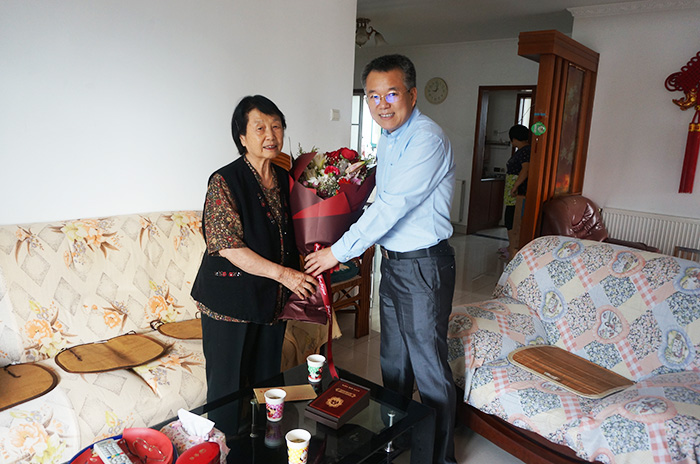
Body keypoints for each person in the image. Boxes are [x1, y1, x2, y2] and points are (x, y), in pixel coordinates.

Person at [305, 54, 457, 464]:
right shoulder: (389, 139)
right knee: (394, 362)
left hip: (424, 265)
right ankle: (397, 439)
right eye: (373, 96)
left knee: (429, 369)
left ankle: (439, 459)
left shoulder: (426, 139)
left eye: (391, 93)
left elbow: (392, 207)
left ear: (412, 94)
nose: (382, 104)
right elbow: (380, 203)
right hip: (394, 263)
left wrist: (338, 252)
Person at [190, 95, 317, 414]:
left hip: (271, 302)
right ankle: (225, 442)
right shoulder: (224, 181)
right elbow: (228, 245)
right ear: (242, 137)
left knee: (267, 385)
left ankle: (263, 439)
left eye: (276, 126)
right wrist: (285, 274)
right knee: (228, 391)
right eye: (260, 128)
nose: (270, 135)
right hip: (229, 304)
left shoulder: (286, 180)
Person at [502, 124, 530, 260]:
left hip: (517, 192)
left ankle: (513, 249)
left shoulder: (525, 151)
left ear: (514, 138)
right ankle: (510, 246)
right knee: (510, 217)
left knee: (511, 219)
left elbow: (525, 170)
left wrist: (515, 187)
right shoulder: (524, 150)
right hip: (513, 190)